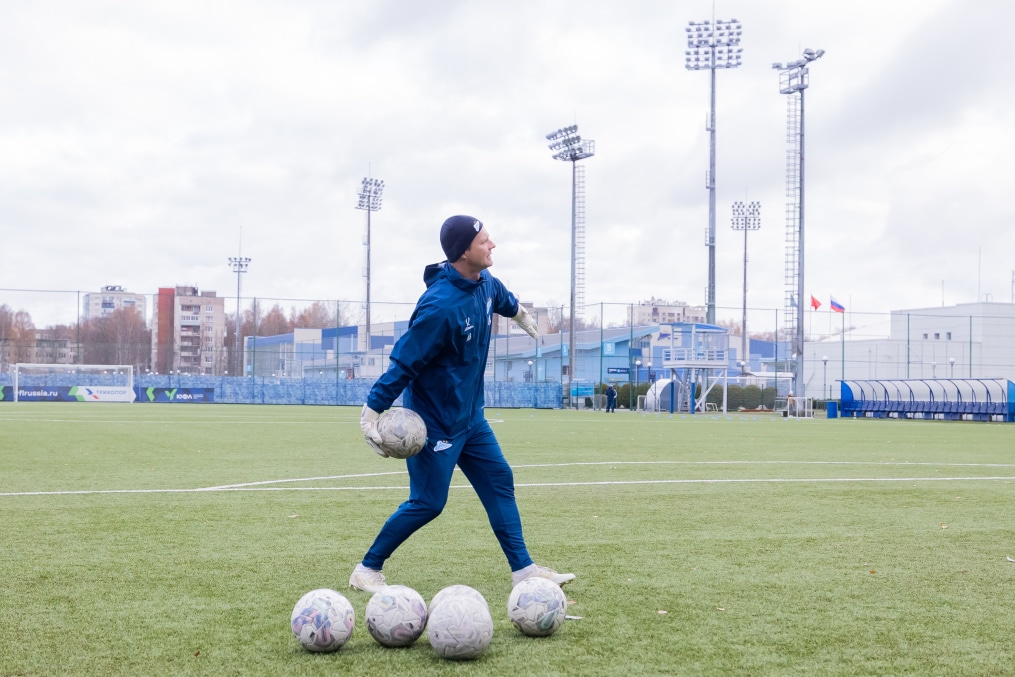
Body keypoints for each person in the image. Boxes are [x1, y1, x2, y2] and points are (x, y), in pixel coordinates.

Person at [350, 215, 575, 594]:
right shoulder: (439, 307)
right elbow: (404, 362)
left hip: (471, 419)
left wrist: (520, 314)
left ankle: (524, 570)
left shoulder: (485, 282)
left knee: (499, 480)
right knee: (428, 503)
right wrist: (371, 412)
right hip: (435, 423)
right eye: (485, 241)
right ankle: (367, 569)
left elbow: (502, 297)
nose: (493, 245)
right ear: (464, 252)